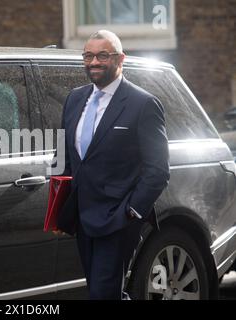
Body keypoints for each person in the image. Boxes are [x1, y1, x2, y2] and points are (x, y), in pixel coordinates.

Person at [56, 30, 170, 300]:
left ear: (120, 59)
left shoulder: (143, 104)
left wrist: (130, 212)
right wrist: (60, 207)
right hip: (83, 218)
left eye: (102, 55)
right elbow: (64, 157)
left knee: (103, 294)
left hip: (118, 219)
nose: (93, 62)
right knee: (104, 291)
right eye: (88, 55)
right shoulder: (74, 99)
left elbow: (158, 170)